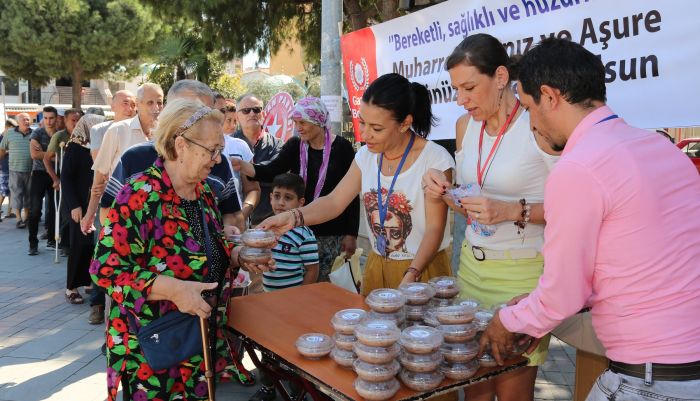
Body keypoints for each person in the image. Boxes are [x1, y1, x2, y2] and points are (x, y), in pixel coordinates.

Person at [480, 38, 700, 401]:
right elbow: (645, 259)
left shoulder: (579, 167)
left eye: (530, 108)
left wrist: (508, 320)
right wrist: (538, 305)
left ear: (549, 97)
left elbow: (561, 296)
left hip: (648, 379)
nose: (531, 123)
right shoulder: (658, 147)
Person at [91, 98, 274, 401]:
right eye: (212, 150)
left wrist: (237, 255)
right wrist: (174, 290)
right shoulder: (139, 195)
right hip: (153, 348)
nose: (217, 160)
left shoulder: (200, 190)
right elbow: (106, 270)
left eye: (220, 150)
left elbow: (204, 244)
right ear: (181, 145)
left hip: (195, 342)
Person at [421, 33, 558, 401]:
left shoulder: (539, 125)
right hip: (471, 271)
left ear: (500, 77)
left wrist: (512, 210)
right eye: (455, 89)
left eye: (469, 87)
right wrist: (445, 193)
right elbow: (471, 202)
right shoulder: (466, 126)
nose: (460, 100)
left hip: (522, 277)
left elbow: (574, 208)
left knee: (512, 390)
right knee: (474, 388)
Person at [259, 73, 454, 294]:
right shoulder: (365, 156)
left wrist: (412, 274)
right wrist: (292, 217)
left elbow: (435, 229)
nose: (365, 134)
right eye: (362, 123)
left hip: (422, 268)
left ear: (405, 123)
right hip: (378, 264)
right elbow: (334, 202)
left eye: (376, 128)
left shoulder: (435, 159)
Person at [91, 79, 245, 233]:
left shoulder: (216, 161)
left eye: (207, 112)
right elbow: (108, 215)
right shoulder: (135, 159)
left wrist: (223, 236)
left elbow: (232, 214)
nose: (204, 119)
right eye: (190, 112)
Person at [234, 96, 359, 282]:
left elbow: (352, 195)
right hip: (299, 229)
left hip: (333, 233)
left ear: (318, 121)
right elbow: (272, 170)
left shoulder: (342, 148)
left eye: (303, 123)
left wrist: (351, 234)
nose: (298, 127)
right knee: (299, 283)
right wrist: (242, 165)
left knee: (326, 286)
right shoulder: (295, 145)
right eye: (295, 122)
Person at [250, 173, 320, 401]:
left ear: (301, 204)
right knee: (266, 348)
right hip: (269, 302)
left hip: (293, 306)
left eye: (288, 198)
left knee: (291, 351)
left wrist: (301, 299)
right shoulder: (267, 229)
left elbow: (312, 269)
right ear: (269, 198)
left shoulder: (304, 234)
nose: (280, 203)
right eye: (277, 196)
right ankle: (268, 387)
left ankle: (297, 388)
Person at [81, 83, 163, 232]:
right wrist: (90, 214)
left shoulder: (166, 135)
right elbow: (99, 175)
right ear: (138, 104)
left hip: (157, 216)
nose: (156, 107)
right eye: (150, 102)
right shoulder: (117, 130)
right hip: (120, 213)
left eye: (159, 102)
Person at [61, 114, 105, 304]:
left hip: (95, 202)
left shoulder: (98, 147)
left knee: (92, 245)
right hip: (78, 204)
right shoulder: (74, 147)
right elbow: (66, 178)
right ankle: (71, 287)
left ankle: (88, 280)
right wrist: (74, 205)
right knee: (79, 244)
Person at [234, 94, 283, 225]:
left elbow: (276, 175)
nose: (252, 113)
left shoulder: (277, 145)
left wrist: (244, 170)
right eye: (246, 110)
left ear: (264, 114)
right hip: (235, 221)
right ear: (237, 116)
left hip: (269, 222)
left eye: (256, 109)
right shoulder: (229, 144)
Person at [44, 108, 83, 256]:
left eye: (79, 120)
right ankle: (66, 244)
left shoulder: (86, 135)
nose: (76, 123)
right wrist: (55, 179)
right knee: (68, 213)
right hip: (66, 177)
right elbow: (47, 158)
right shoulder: (60, 136)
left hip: (83, 178)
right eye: (73, 120)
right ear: (65, 121)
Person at [222, 101, 261, 225]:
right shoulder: (193, 147)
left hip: (237, 230)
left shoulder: (240, 146)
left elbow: (253, 189)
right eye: (229, 120)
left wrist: (240, 216)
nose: (232, 125)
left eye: (235, 121)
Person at [27, 106, 59, 255]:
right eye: (45, 118)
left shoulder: (60, 133)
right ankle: (32, 243)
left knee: (54, 210)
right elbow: (34, 155)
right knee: (35, 210)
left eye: (51, 117)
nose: (48, 121)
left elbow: (42, 154)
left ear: (56, 118)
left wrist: (44, 154)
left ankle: (52, 240)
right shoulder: (37, 133)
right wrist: (53, 156)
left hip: (55, 173)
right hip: (39, 173)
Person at [0, 113, 33, 229]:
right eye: (24, 120)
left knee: (29, 195)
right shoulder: (9, 133)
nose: (26, 121)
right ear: (18, 122)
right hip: (14, 169)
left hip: (31, 170)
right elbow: (2, 148)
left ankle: (27, 217)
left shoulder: (34, 134)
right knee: (16, 194)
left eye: (28, 119)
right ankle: (19, 219)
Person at [89, 90, 137, 160]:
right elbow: (98, 162)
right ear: (113, 107)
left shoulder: (142, 130)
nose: (130, 109)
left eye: (133, 105)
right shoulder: (99, 129)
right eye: (125, 103)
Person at [0, 119, 18, 221]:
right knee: (3, 191)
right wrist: (9, 150)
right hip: (4, 168)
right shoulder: (1, 137)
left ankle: (10, 212)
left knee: (12, 190)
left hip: (13, 167)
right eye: (12, 128)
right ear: (7, 127)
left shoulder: (11, 137)